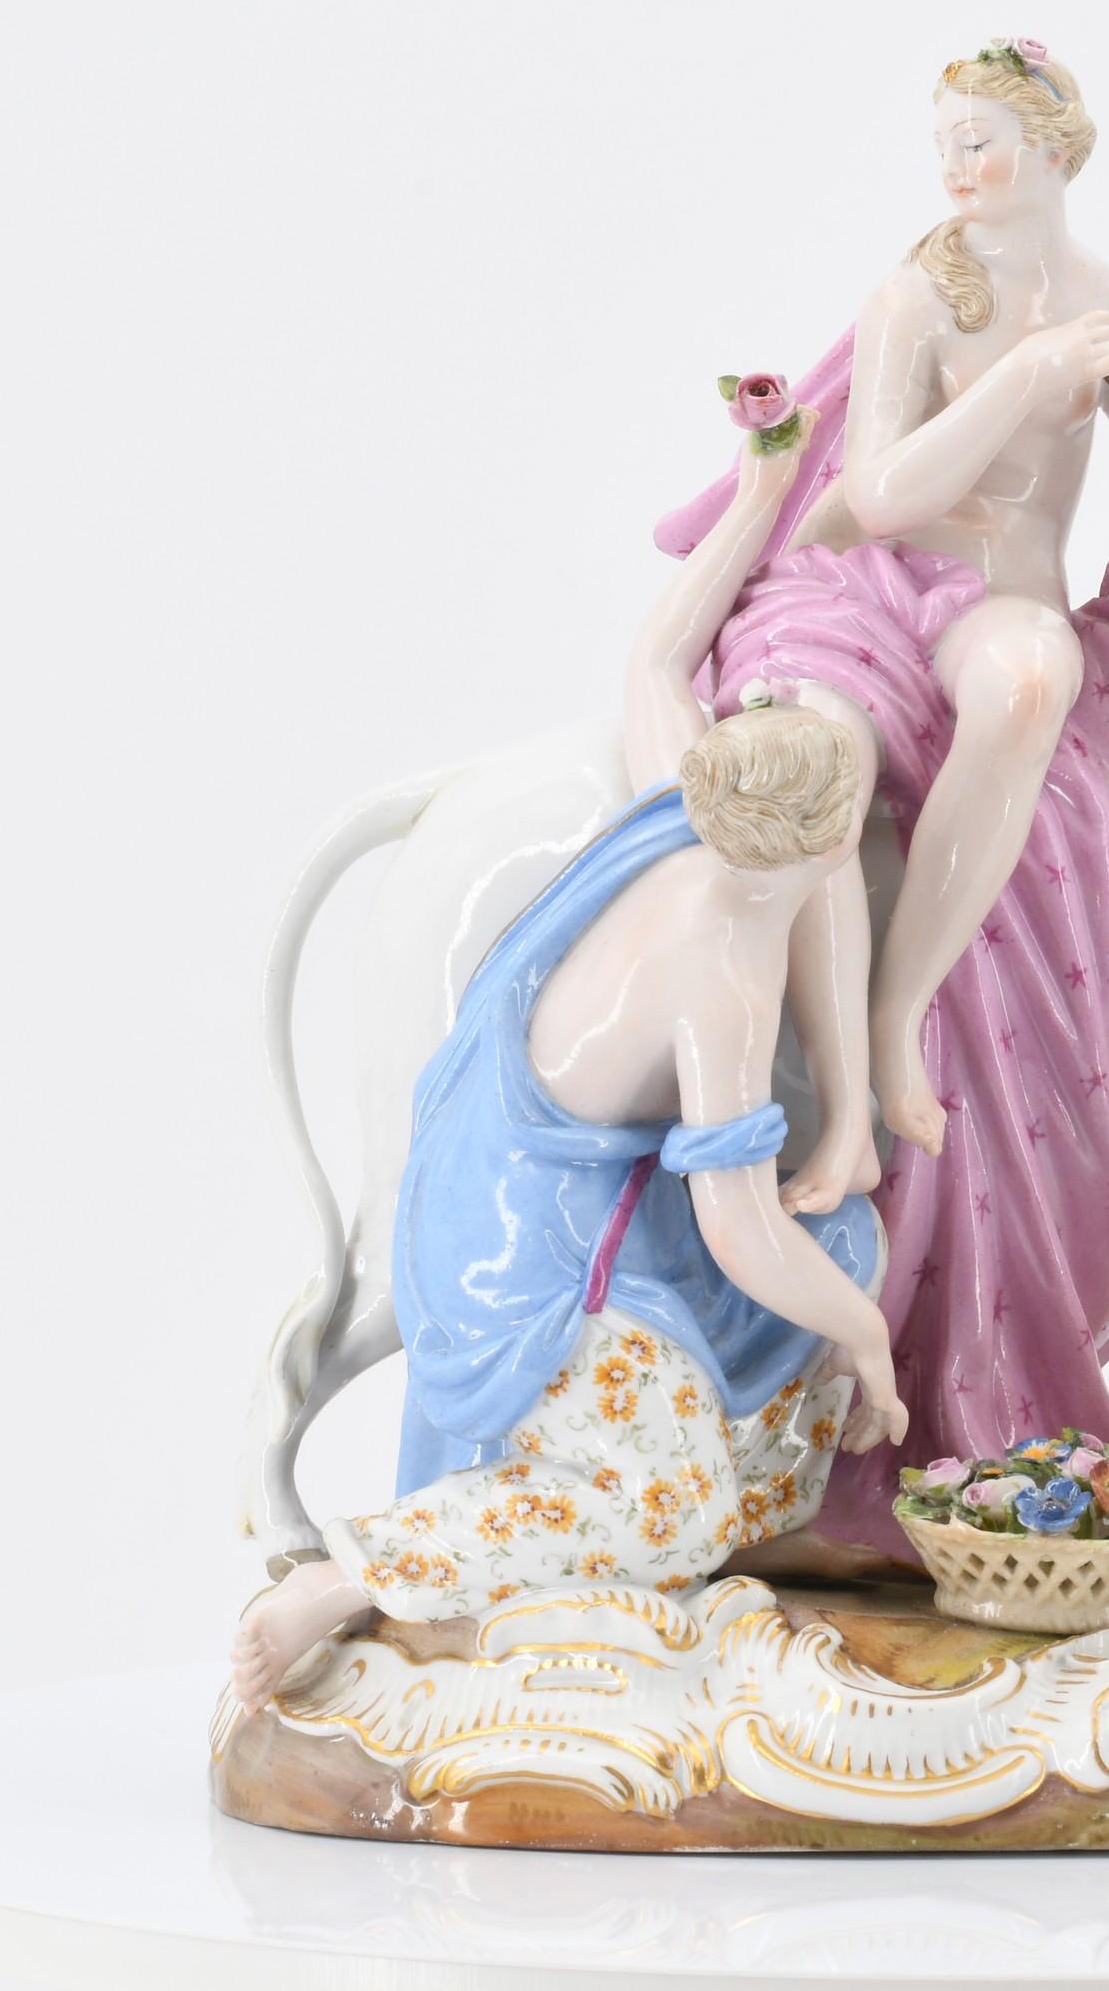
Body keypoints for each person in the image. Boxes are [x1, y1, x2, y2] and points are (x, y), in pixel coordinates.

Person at [232, 440, 905, 1707]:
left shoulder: (681, 806)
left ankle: (735, 1502)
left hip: (601, 1183)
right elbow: (737, 1222)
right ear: (819, 852)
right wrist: (866, 1339)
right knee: (675, 1502)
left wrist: (760, 495)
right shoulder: (726, 962)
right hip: (533, 1238)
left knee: (841, 1247)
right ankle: (357, 1573)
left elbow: (657, 657)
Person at [651, 40, 1109, 1548]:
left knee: (1026, 686)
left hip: (999, 607)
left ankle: (902, 1015)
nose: (956, 167)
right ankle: (849, 1086)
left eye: (983, 140)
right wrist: (1025, 373)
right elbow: (882, 494)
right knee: (818, 762)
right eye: (944, 141)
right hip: (870, 589)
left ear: (1056, 149)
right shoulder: (918, 298)